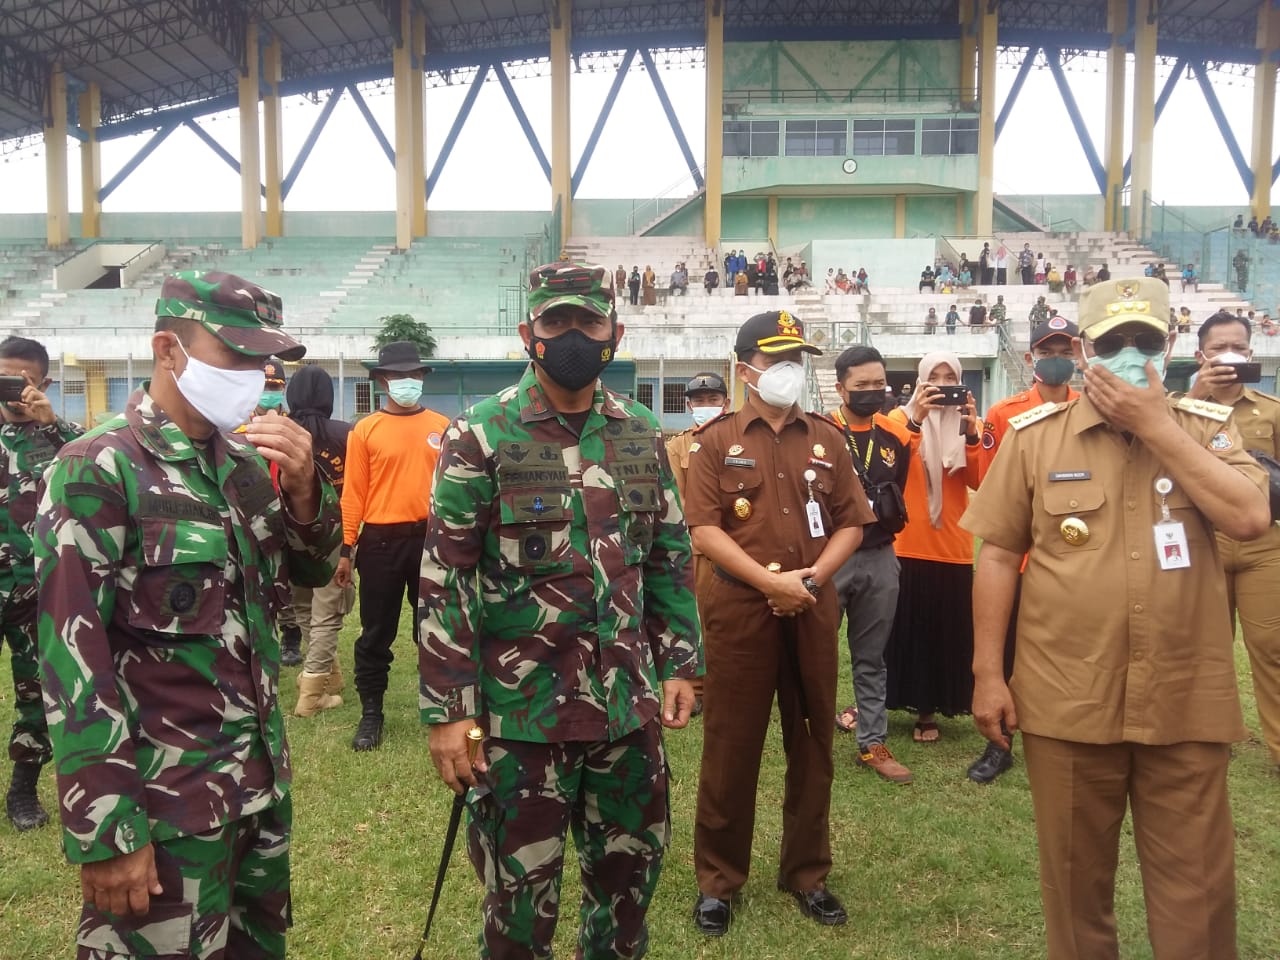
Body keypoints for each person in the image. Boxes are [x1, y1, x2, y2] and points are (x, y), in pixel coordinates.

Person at [34, 271, 340, 958]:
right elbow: (72, 664)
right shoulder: (97, 469)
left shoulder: (243, 466)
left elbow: (311, 572)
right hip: (164, 807)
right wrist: (109, 830)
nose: (257, 376)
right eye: (235, 355)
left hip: (255, 788)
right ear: (168, 349)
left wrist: (304, 494)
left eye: (265, 362)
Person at [962, 277, 1270, 959]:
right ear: (1081, 351)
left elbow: (1249, 517)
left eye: (1147, 341)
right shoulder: (1033, 439)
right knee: (1075, 895)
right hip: (1068, 697)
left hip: (1185, 701)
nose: (1132, 355)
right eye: (1114, 343)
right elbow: (997, 554)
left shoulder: (1205, 430)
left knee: (1198, 895)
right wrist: (988, 672)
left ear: (1169, 348)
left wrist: (1157, 424)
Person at [419, 261, 701, 959]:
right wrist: (450, 713)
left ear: (615, 333)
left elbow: (667, 554)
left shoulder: (639, 432)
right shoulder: (481, 435)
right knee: (518, 910)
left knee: (627, 894)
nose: (573, 335)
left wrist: (681, 664)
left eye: (589, 322)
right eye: (556, 322)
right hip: (520, 723)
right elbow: (444, 580)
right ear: (528, 334)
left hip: (625, 713)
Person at [684, 310, 871, 935]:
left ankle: (807, 873)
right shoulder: (714, 440)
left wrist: (810, 582)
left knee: (814, 742)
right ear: (745, 370)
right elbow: (705, 529)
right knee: (731, 746)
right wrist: (770, 582)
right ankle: (718, 880)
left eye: (799, 359)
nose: (790, 371)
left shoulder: (827, 437)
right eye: (777, 360)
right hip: (740, 609)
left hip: (812, 606)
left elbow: (851, 521)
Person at [968, 317, 1080, 784]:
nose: (1056, 359)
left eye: (1064, 351)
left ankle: (1069, 737)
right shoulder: (1004, 413)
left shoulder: (1093, 410)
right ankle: (1001, 744)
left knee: (1072, 652)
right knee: (1008, 652)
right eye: (1046, 351)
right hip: (1017, 555)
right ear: (1031, 358)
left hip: (1075, 559)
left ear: (1076, 356)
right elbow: (983, 481)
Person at [336, 340, 450, 751]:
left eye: (414, 375)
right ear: (383, 380)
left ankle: (441, 707)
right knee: (375, 631)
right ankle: (371, 714)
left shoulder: (443, 426)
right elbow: (353, 493)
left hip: (431, 540)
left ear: (421, 377)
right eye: (399, 375)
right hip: (380, 543)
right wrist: (347, 548)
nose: (407, 382)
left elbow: (456, 492)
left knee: (434, 628)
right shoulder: (365, 430)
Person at [1182, 310, 1280, 771]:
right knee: (1202, 647)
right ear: (1199, 354)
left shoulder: (1270, 411)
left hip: (1265, 546)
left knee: (1274, 647)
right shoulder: (1175, 410)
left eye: (1238, 347)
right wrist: (1195, 397)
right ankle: (1202, 736)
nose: (1229, 355)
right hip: (1203, 544)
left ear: (1250, 352)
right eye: (1219, 347)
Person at [0, 336, 82, 830]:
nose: (10, 389)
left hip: (37, 588)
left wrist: (51, 425)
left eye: (21, 379)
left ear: (43, 383)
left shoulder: (62, 439)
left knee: (38, 694)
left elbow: (91, 469)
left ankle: (22, 789)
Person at [884, 353, 981, 745]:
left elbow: (983, 478)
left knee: (945, 636)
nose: (942, 385)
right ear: (920, 382)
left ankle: (931, 710)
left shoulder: (971, 426)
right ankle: (879, 703)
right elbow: (889, 465)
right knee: (898, 636)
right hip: (905, 544)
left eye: (950, 378)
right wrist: (917, 419)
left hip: (953, 546)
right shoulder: (898, 421)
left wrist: (972, 434)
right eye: (934, 378)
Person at [829, 346, 914, 783]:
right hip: (827, 560)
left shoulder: (896, 437)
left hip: (880, 558)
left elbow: (896, 491)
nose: (872, 392)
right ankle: (810, 735)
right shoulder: (819, 430)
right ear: (840, 387)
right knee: (816, 653)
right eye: (860, 386)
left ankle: (873, 742)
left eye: (878, 384)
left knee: (871, 657)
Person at [286, 365, 354, 717]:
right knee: (327, 613)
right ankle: (312, 695)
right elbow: (356, 492)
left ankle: (330, 678)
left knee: (303, 609)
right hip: (335, 537)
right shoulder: (347, 435)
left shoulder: (280, 435)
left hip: (291, 537)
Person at [667, 372, 731, 716]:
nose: (707, 406)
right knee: (696, 619)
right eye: (700, 401)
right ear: (689, 405)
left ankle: (731, 684)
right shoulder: (678, 445)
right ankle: (696, 687)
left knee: (737, 620)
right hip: (699, 549)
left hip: (742, 547)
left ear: (727, 402)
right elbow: (676, 499)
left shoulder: (741, 440)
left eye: (714, 400)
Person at [251, 358, 303, 667]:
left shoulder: (292, 426)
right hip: (249, 510)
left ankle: (291, 634)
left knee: (286, 577)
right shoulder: (238, 425)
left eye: (274, 387)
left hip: (284, 509)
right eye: (264, 387)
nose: (269, 392)